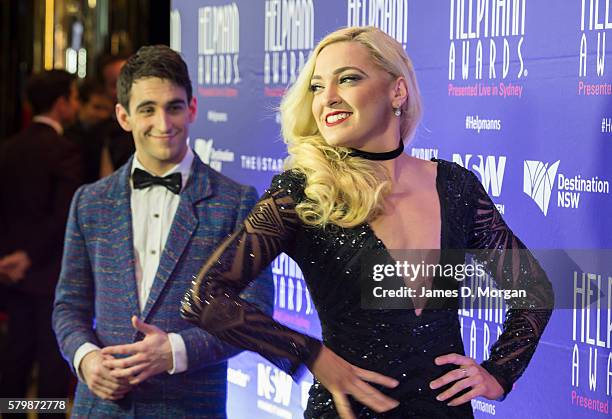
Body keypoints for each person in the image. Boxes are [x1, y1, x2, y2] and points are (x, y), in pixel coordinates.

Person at [181, 26, 555, 418]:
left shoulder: (455, 186)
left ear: (397, 91)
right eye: (317, 86)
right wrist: (310, 354)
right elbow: (205, 296)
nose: (328, 98)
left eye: (347, 79)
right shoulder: (304, 192)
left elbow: (534, 289)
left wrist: (498, 373)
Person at [53, 45, 274, 417]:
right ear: (123, 116)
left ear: (192, 109)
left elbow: (255, 309)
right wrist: (86, 358)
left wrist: (175, 351)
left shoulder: (235, 202)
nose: (164, 123)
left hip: (189, 407)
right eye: (147, 109)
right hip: (101, 407)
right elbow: (68, 306)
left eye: (174, 106)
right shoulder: (89, 202)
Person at [0, 69, 81, 417]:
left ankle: (12, 413)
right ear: (62, 103)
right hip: (48, 274)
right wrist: (29, 256)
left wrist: (7, 259)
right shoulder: (64, 151)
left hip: (9, 274)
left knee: (15, 356)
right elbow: (63, 219)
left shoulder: (8, 148)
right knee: (51, 361)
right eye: (75, 97)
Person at [64, 79, 114, 184]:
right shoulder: (67, 136)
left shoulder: (111, 136)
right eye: (97, 107)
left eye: (106, 109)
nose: (102, 114)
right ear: (81, 105)